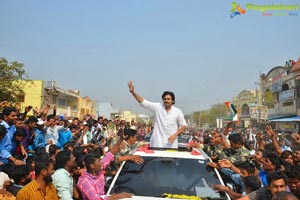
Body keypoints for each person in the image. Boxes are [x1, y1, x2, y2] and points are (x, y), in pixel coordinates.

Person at [128, 80, 187, 148]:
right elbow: (144, 102)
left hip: (172, 145)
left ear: (173, 101)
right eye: (164, 99)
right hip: (157, 144)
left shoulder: (177, 111)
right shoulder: (158, 107)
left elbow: (184, 125)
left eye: (168, 99)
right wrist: (133, 92)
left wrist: (175, 135)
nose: (166, 100)